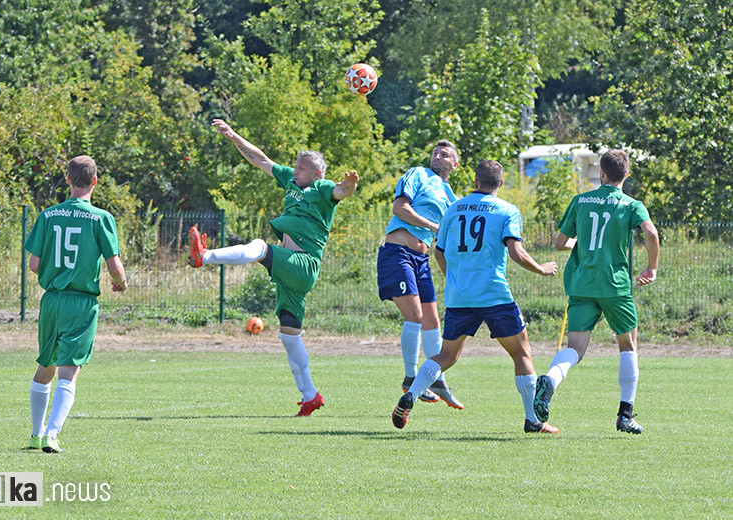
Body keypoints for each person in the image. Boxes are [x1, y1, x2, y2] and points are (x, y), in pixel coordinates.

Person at [189, 119, 359, 417]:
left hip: (303, 263)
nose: (296, 170)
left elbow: (342, 191)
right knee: (289, 334)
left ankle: (206, 255)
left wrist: (351, 184)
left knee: (259, 247)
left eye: (302, 167)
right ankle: (310, 396)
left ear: (317, 172)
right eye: (295, 165)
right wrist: (233, 136)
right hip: (290, 272)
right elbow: (261, 159)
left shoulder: (321, 189)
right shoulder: (290, 181)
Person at [391, 159, 559, 434]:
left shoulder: (453, 209)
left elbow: (439, 251)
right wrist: (541, 268)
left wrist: (454, 279)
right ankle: (533, 420)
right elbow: (516, 251)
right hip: (494, 294)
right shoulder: (507, 210)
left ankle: (412, 393)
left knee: (446, 355)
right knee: (521, 353)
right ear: (501, 184)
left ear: (475, 181)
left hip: (460, 296)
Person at [533, 149, 659, 434]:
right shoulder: (631, 204)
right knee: (628, 346)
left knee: (575, 348)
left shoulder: (580, 201)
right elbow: (650, 233)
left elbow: (559, 242)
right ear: (626, 174)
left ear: (601, 173)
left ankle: (551, 380)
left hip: (581, 284)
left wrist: (577, 246)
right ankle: (625, 415)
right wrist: (651, 268)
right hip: (614, 285)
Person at [25, 156, 127, 453]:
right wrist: (120, 282)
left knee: (46, 366)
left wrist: (55, 275)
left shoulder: (48, 215)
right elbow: (115, 266)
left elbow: (34, 264)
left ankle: (35, 433)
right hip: (81, 302)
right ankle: (52, 435)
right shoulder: (101, 218)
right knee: (69, 369)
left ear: (67, 180)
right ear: (95, 181)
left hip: (52, 300)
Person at [377, 140, 463, 409]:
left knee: (432, 321)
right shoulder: (417, 174)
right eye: (436, 152)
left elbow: (453, 237)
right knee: (414, 316)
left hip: (422, 259)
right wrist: (434, 226)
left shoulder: (451, 196)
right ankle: (410, 377)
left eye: (445, 154)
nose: (438, 156)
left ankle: (437, 379)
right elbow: (400, 208)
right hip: (398, 252)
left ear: (455, 164)